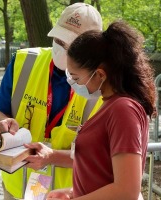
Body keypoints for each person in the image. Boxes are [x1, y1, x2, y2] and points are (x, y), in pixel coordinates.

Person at [0, 3, 103, 200]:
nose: (62, 48)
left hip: (69, 193)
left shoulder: (101, 82)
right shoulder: (24, 62)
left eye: (71, 44)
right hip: (17, 186)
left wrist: (52, 157)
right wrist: (1, 126)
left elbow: (103, 158)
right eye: (59, 40)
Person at [46, 20, 156, 200]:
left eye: (75, 78)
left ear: (100, 74)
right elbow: (103, 174)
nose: (74, 84)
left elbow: (126, 191)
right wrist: (72, 193)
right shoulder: (112, 105)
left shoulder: (122, 110)